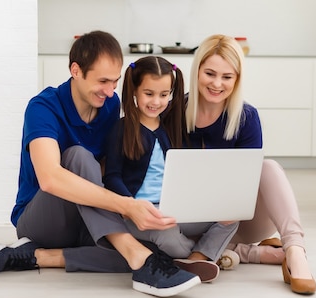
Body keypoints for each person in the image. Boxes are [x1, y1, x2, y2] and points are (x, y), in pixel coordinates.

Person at [0, 30, 203, 297]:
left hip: (90, 219)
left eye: (115, 82)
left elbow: (108, 168)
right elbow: (50, 177)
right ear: (76, 70)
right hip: (43, 220)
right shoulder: (43, 107)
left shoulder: (109, 105)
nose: (111, 92)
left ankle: (40, 257)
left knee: (155, 247)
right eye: (103, 81)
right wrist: (126, 205)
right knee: (78, 156)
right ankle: (138, 259)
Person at [183, 34, 316, 295]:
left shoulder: (247, 116)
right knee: (167, 242)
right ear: (196, 71)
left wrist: (229, 206)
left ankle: (295, 250)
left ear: (237, 79)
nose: (217, 84)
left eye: (227, 77)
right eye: (210, 73)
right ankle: (251, 254)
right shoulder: (173, 111)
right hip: (191, 224)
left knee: (269, 167)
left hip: (237, 218)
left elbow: (246, 185)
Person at [102, 55, 238, 283]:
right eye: (149, 94)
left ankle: (194, 258)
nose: (156, 101)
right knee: (168, 233)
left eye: (164, 95)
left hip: (174, 208)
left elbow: (186, 172)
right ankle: (210, 254)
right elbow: (112, 176)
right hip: (140, 213)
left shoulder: (172, 128)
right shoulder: (122, 128)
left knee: (231, 215)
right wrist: (131, 205)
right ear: (134, 91)